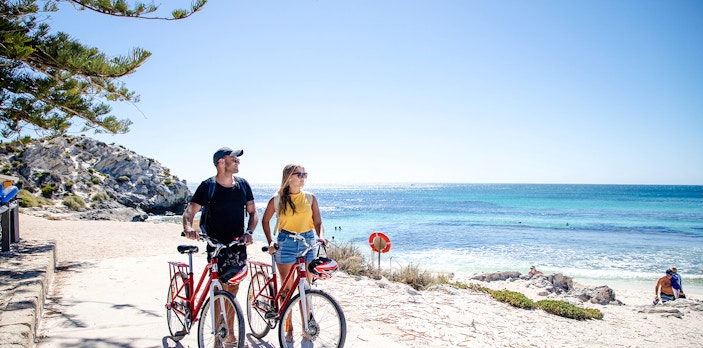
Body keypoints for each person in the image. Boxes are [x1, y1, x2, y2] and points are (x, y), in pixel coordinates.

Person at [182, 147, 258, 347]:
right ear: (221, 162)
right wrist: (189, 227)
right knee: (218, 290)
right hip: (215, 244)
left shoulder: (243, 185)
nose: (238, 162)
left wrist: (249, 232)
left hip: (237, 245)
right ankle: (220, 336)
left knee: (232, 289)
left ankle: (228, 332)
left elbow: (253, 212)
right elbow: (191, 210)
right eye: (234, 159)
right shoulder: (208, 186)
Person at [261, 164, 327, 348]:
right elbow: (265, 220)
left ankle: (306, 327)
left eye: (305, 174)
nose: (303, 177)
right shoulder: (277, 199)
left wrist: (321, 237)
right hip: (286, 242)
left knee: (305, 287)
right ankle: (287, 327)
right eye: (300, 174)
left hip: (308, 241)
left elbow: (318, 221)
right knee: (287, 291)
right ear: (289, 177)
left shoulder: (311, 198)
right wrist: (270, 241)